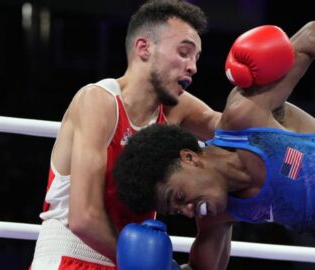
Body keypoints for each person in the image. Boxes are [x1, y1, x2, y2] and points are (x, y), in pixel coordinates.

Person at [114, 22, 315, 269]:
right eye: (178, 212)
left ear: (189, 158)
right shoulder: (219, 216)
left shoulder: (246, 117)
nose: (189, 212)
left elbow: (313, 36)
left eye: (181, 198)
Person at [30, 0, 221, 269]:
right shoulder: (98, 101)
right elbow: (83, 217)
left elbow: (235, 128)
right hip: (73, 257)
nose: (192, 67)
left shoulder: (177, 108)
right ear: (144, 48)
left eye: (196, 58)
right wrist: (147, 264)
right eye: (184, 52)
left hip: (129, 261)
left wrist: (269, 85)